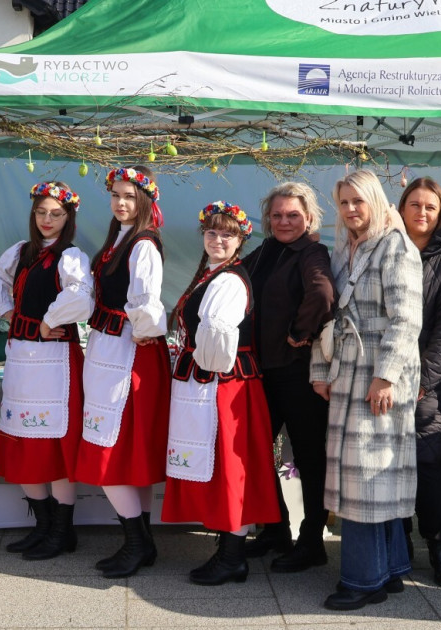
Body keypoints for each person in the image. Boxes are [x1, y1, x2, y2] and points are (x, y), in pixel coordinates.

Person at [310, 170, 423, 610]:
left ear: (376, 200)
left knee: (368, 478)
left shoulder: (396, 246)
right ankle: (390, 568)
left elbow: (407, 319)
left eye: (359, 200)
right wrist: (321, 369)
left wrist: (386, 375)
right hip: (349, 369)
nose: (351, 209)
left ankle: (363, 580)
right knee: (366, 476)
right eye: (343, 203)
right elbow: (330, 316)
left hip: (378, 374)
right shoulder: (344, 250)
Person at [161, 201, 280, 586]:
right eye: (212, 232)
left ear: (241, 239)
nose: (218, 239)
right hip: (218, 384)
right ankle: (229, 550)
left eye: (227, 234)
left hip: (227, 388)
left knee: (232, 469)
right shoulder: (212, 274)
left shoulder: (229, 280)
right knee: (223, 468)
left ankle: (233, 557)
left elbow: (218, 336)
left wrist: (202, 363)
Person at [0, 181, 93, 561]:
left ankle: (62, 532)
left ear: (69, 218)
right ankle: (43, 526)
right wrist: (8, 312)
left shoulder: (71, 257)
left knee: (54, 446)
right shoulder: (20, 252)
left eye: (56, 214)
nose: (47, 220)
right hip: (20, 359)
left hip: (55, 363)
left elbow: (81, 296)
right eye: (41, 212)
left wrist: (48, 320)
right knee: (25, 442)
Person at [74, 166, 170, 579]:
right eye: (116, 195)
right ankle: (141, 542)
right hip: (112, 347)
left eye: (129, 196)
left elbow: (146, 303)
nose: (121, 203)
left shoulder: (142, 244)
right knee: (129, 452)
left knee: (111, 448)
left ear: (146, 200)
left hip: (128, 352)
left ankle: (136, 542)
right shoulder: (120, 239)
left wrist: (144, 332)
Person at [239, 182, 335, 572]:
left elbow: (323, 294)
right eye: (277, 215)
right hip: (262, 372)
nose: (283, 221)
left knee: (310, 459)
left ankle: (312, 541)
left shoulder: (311, 251)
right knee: (256, 451)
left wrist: (299, 333)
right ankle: (275, 528)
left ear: (309, 217)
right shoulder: (263, 252)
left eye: (293, 215)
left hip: (297, 374)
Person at [398, 176, 441, 588]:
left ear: (440, 213)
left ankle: (438, 544)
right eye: (414, 205)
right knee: (390, 464)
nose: (421, 213)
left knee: (427, 463)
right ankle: (400, 541)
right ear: (401, 208)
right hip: (386, 378)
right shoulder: (386, 248)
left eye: (430, 207)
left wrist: (422, 380)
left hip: (429, 383)